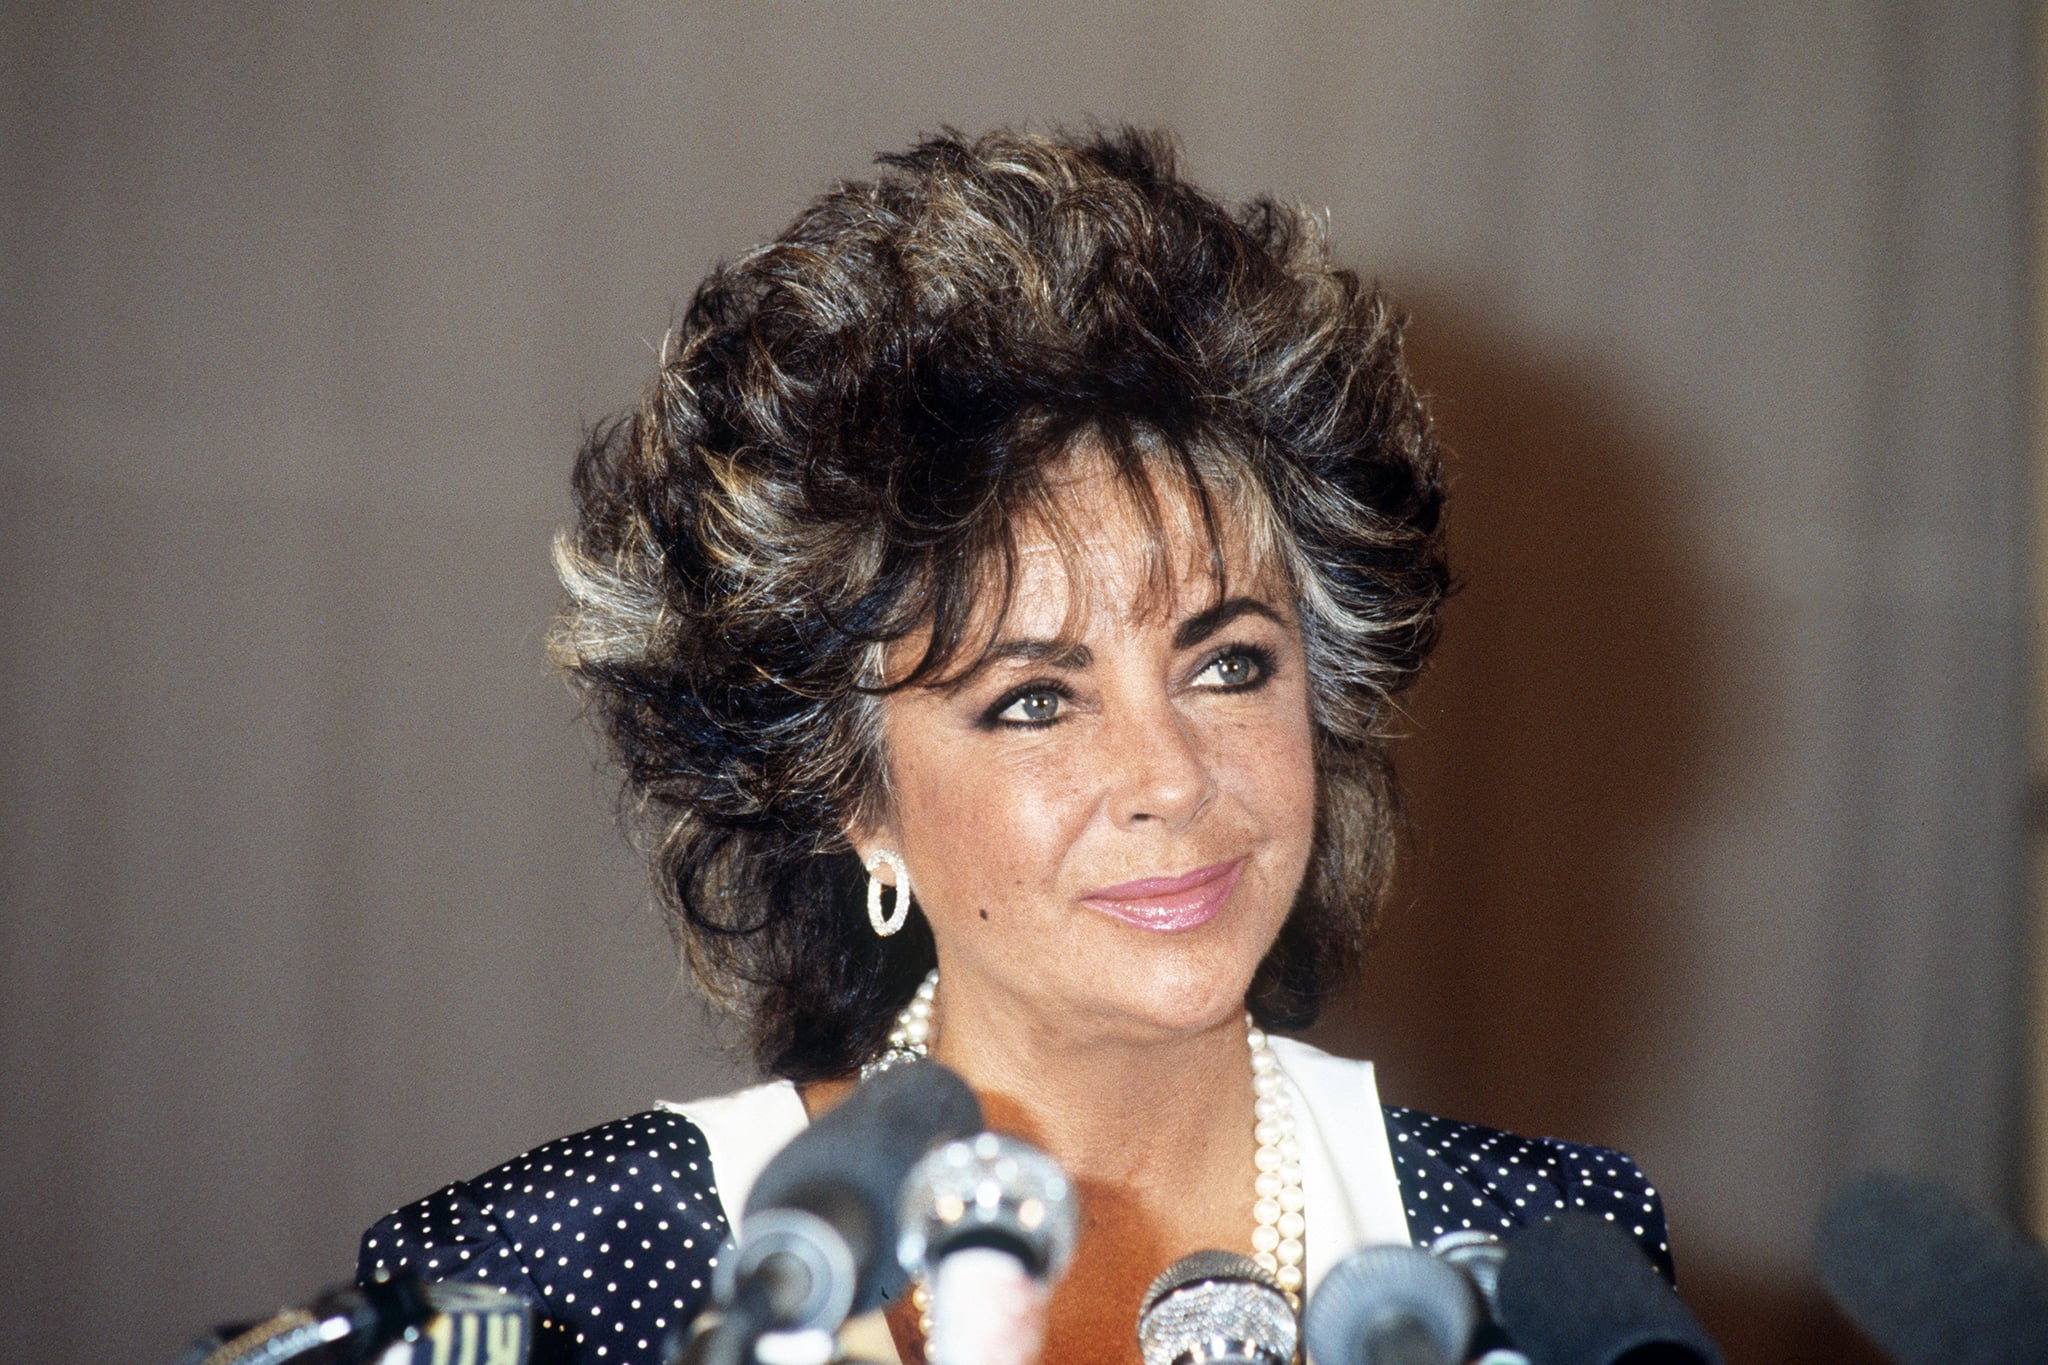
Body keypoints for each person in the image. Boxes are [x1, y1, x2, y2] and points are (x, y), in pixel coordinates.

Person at [358, 127, 1670, 1365]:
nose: (1168, 776)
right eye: (1036, 697)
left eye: (1227, 665)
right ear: (851, 792)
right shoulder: (567, 1277)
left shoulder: (1542, 1264)